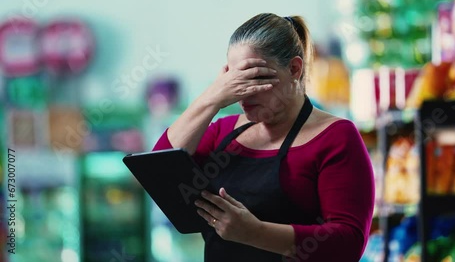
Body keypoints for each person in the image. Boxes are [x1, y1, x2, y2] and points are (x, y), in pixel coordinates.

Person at [152, 13, 375, 261]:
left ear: (294, 69)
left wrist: (255, 233)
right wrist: (212, 98)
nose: (242, 94)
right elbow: (158, 169)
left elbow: (348, 243)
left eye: (254, 78)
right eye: (234, 81)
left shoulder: (336, 137)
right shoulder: (221, 132)